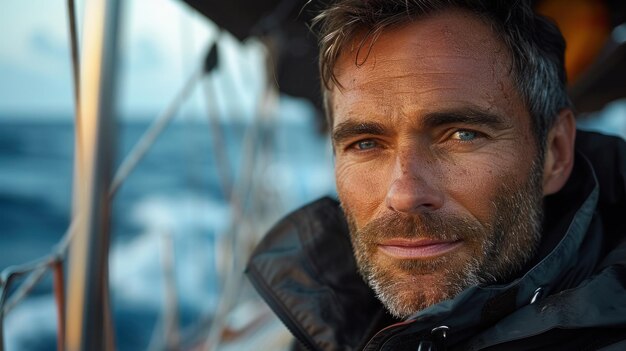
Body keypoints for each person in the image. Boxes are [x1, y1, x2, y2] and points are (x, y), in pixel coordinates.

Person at [246, 1, 626, 350]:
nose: (405, 193)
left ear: (555, 154)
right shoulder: (329, 327)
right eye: (365, 143)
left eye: (462, 135)